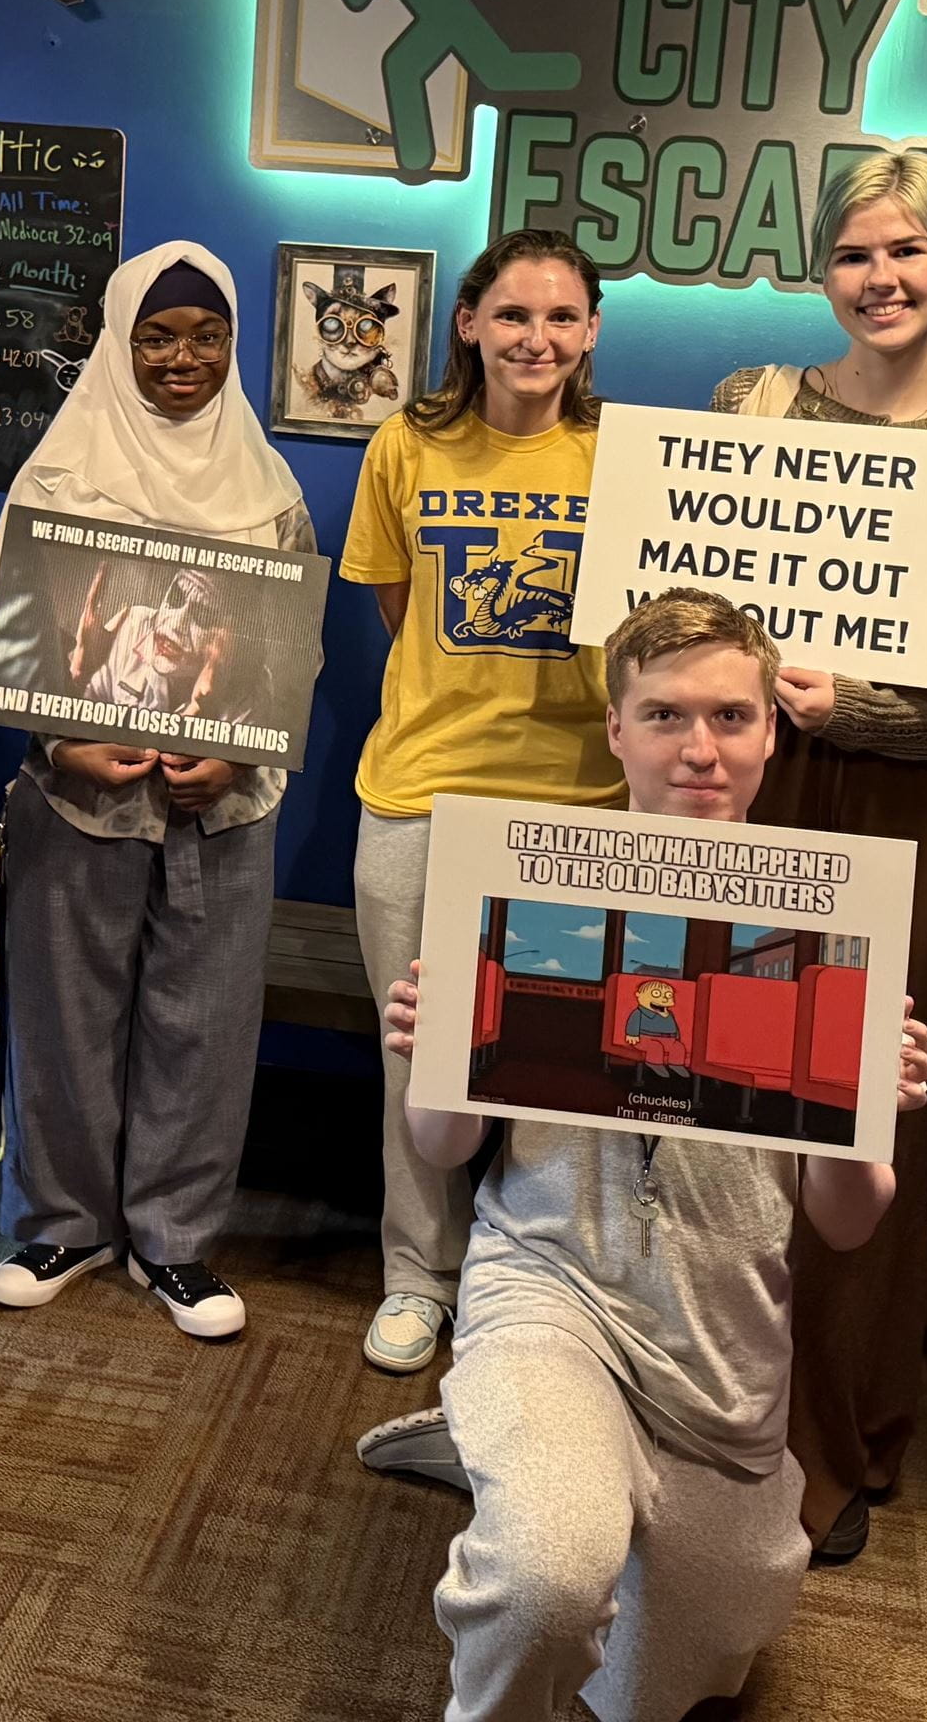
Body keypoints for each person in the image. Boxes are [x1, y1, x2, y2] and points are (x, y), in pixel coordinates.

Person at [377, 590, 927, 1722]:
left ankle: (512, 1451)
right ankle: (528, 1443)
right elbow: (442, 1148)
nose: (699, 750)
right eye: (665, 715)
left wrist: (861, 1105)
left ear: (772, 732)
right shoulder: (524, 881)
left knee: (672, 1682)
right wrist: (434, 1056)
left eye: (731, 717)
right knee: (543, 1583)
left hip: (718, 1342)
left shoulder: (835, 920)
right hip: (549, 1286)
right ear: (616, 729)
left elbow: (844, 1223)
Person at [708, 146, 927, 1565]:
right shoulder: (751, 403)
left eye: (909, 252)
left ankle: (831, 1437)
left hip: (885, 803)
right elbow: (678, 607)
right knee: (706, 1085)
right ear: (822, 270)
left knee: (862, 1110)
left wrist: (854, 706)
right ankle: (701, 1411)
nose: (881, 278)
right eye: (855, 253)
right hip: (733, 792)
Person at [0, 244, 316, 1337]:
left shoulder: (268, 490)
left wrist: (239, 755)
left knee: (205, 1022)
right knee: (63, 1013)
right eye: (157, 337)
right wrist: (60, 741)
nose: (183, 358)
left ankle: (175, 1241)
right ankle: (63, 1224)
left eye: (207, 337)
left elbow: (290, 652)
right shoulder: (58, 476)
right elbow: (19, 636)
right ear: (118, 345)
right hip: (75, 797)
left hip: (223, 806)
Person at [339, 229, 618, 1375]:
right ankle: (418, 1276)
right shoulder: (405, 443)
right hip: (418, 792)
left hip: (580, 799)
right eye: (511, 314)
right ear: (467, 324)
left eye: (558, 318)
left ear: (589, 333)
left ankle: (536, 1284)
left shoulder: (624, 457)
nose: (533, 338)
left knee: (559, 1064)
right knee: (418, 1053)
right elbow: (397, 609)